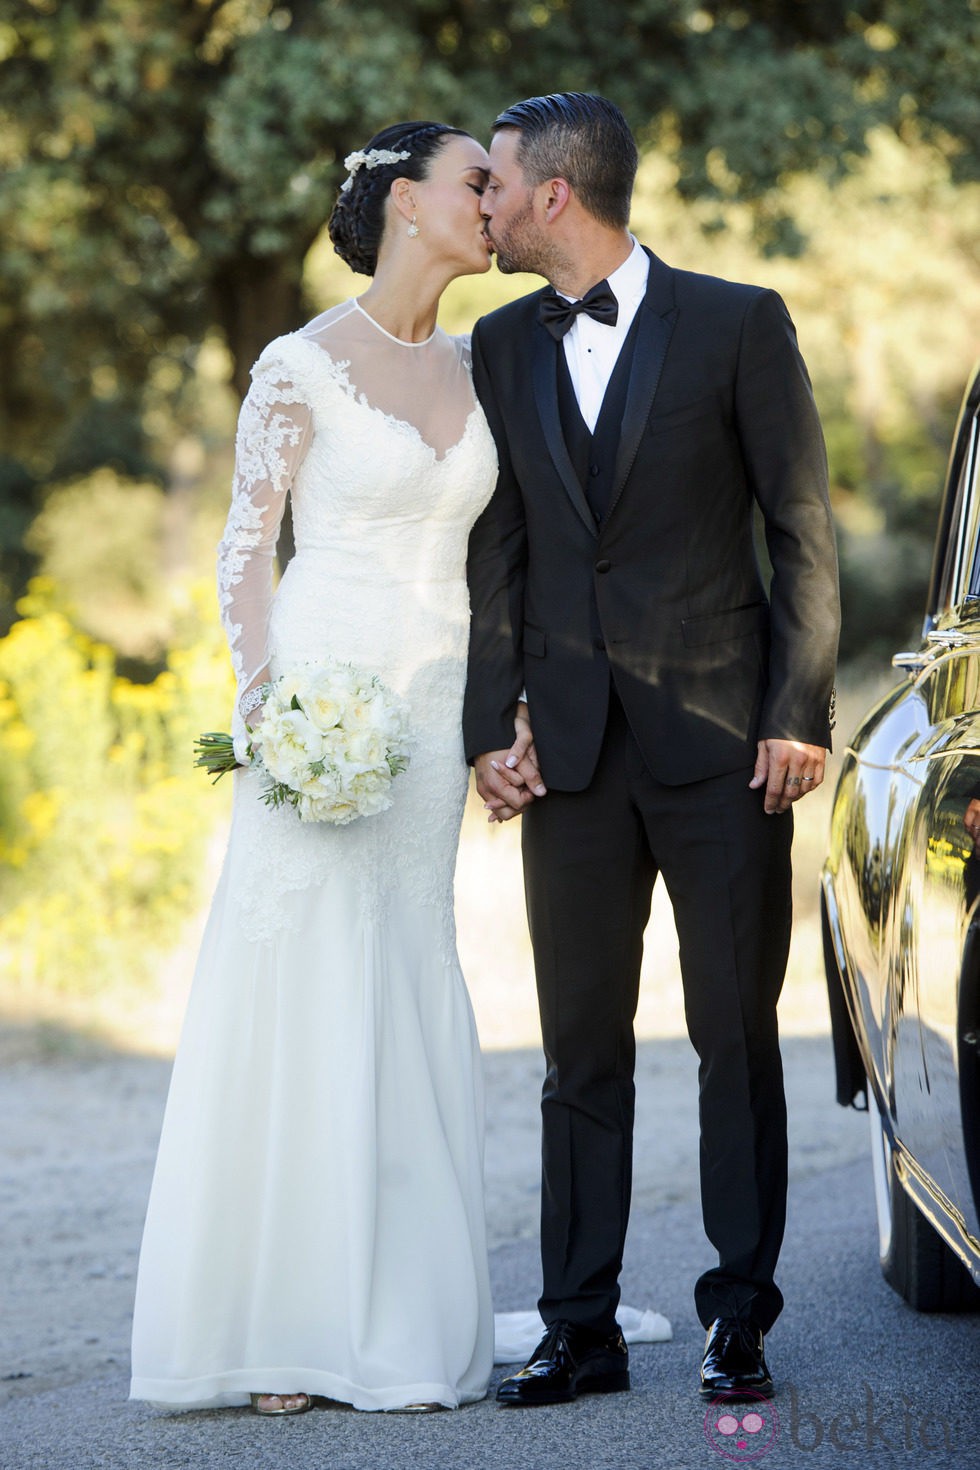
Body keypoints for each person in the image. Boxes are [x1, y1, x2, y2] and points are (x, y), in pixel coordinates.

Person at [463, 92, 840, 1405]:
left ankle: (740, 1315)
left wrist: (799, 711)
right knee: (580, 1049)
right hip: (567, 753)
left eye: (498, 182)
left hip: (727, 745)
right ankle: (582, 1325)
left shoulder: (740, 323)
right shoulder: (499, 345)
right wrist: (485, 729)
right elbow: (499, 543)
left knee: (733, 1033)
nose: (486, 204)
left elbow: (802, 529)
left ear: (557, 192)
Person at [130, 121, 503, 1415]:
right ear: (407, 203)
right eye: (475, 184)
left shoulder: (481, 361)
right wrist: (269, 716)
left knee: (406, 964)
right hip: (322, 699)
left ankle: (400, 1307)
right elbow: (246, 550)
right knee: (304, 978)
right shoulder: (298, 364)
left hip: (436, 698)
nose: (495, 202)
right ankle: (286, 1323)